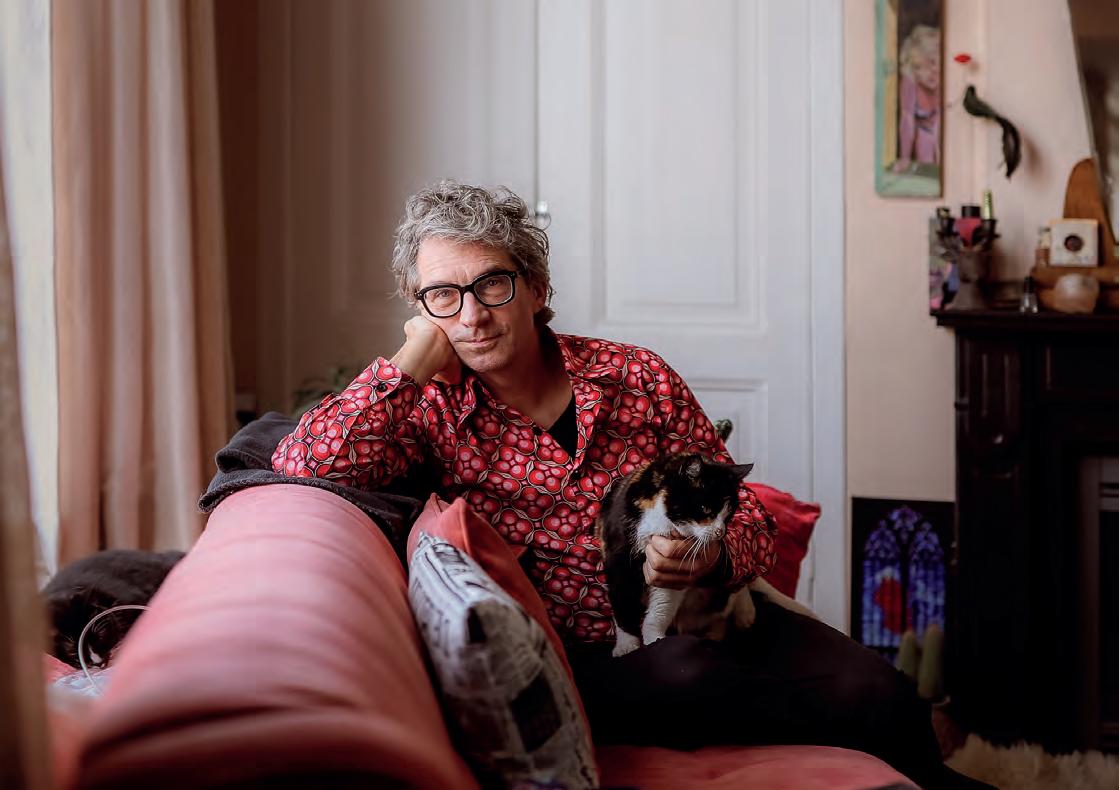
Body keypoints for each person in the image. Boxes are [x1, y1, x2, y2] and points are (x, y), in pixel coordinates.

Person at [272, 181, 989, 789]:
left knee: (881, 690)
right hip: (595, 659)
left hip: (713, 618)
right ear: (419, 307)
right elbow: (301, 464)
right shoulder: (425, 411)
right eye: (442, 295)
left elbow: (747, 517)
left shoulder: (635, 376)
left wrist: (711, 558)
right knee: (685, 673)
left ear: (535, 288)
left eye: (491, 284)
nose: (471, 314)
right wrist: (408, 361)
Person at [893, 24, 941, 174]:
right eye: (919, 67)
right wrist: (905, 158)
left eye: (932, 62)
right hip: (924, 132)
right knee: (927, 169)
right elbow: (907, 120)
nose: (929, 72)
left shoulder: (950, 77)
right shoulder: (909, 82)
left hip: (945, 130)